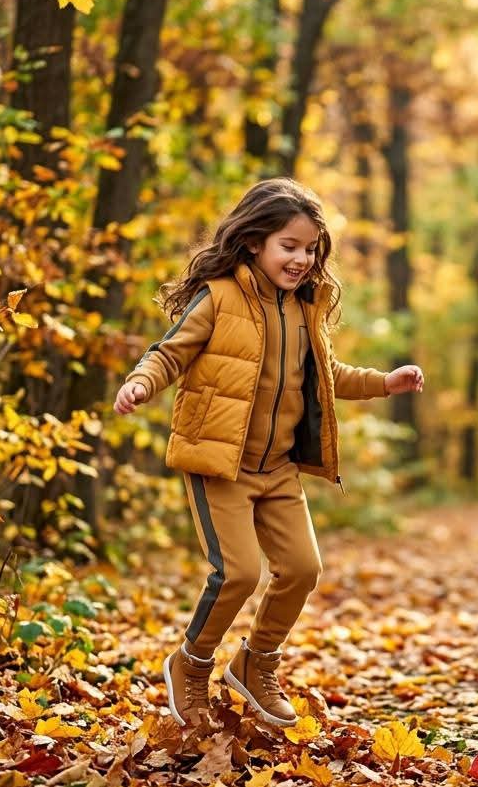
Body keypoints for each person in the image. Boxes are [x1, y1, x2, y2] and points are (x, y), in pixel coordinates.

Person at [114, 177, 424, 729]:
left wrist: (385, 382)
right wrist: (141, 382)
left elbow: (326, 377)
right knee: (237, 574)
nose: (302, 259)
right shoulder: (220, 297)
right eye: (290, 246)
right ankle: (191, 664)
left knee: (303, 569)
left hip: (277, 469)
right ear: (255, 241)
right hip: (221, 463)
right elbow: (170, 353)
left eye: (310, 249)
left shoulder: (304, 308)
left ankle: (256, 663)